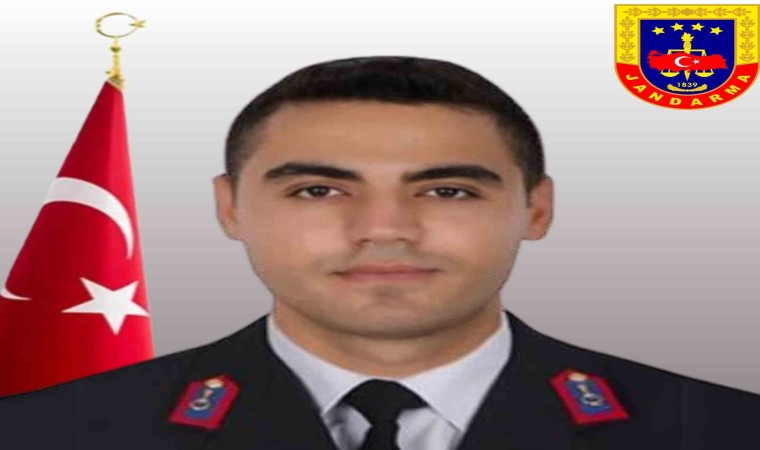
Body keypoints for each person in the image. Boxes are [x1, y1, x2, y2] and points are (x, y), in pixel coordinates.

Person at [0, 55, 758, 450]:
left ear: (537, 208)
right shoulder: (49, 436)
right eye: (319, 191)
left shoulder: (721, 432)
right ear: (229, 208)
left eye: (448, 190)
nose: (385, 229)